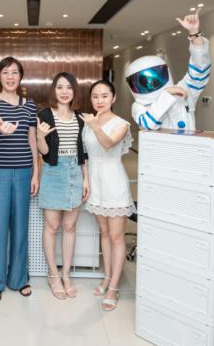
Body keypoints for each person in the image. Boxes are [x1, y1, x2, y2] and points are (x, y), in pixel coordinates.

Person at [125, 8, 214, 346]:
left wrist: (195, 38)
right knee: (164, 251)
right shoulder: (141, 106)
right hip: (160, 181)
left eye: (154, 78)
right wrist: (167, 96)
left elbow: (200, 70)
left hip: (195, 179)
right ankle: (164, 310)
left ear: (164, 73)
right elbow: (148, 122)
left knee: (199, 253)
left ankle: (212, 317)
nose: (149, 85)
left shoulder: (184, 89)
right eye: (142, 81)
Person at [0, 56, 39, 302]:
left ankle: (19, 278)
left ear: (20, 76)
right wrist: (0, 124)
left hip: (24, 171)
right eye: (5, 72)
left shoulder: (30, 105)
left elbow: (32, 140)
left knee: (20, 226)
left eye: (14, 72)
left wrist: (36, 173)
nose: (10, 77)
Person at [80, 80, 134, 312]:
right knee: (104, 233)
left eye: (104, 96)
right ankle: (108, 277)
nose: (99, 100)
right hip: (96, 183)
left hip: (114, 183)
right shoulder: (89, 123)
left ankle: (114, 287)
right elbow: (86, 155)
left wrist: (94, 125)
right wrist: (85, 180)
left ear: (113, 98)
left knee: (116, 237)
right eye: (95, 96)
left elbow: (108, 144)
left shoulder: (121, 124)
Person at [36, 72, 89, 300]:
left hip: (75, 171)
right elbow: (44, 152)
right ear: (54, 91)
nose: (64, 91)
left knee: (70, 226)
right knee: (52, 226)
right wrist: (40, 136)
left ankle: (66, 274)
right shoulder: (45, 115)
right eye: (60, 87)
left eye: (68, 87)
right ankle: (53, 274)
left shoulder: (80, 118)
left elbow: (83, 152)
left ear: (74, 91)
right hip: (53, 172)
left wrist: (86, 179)